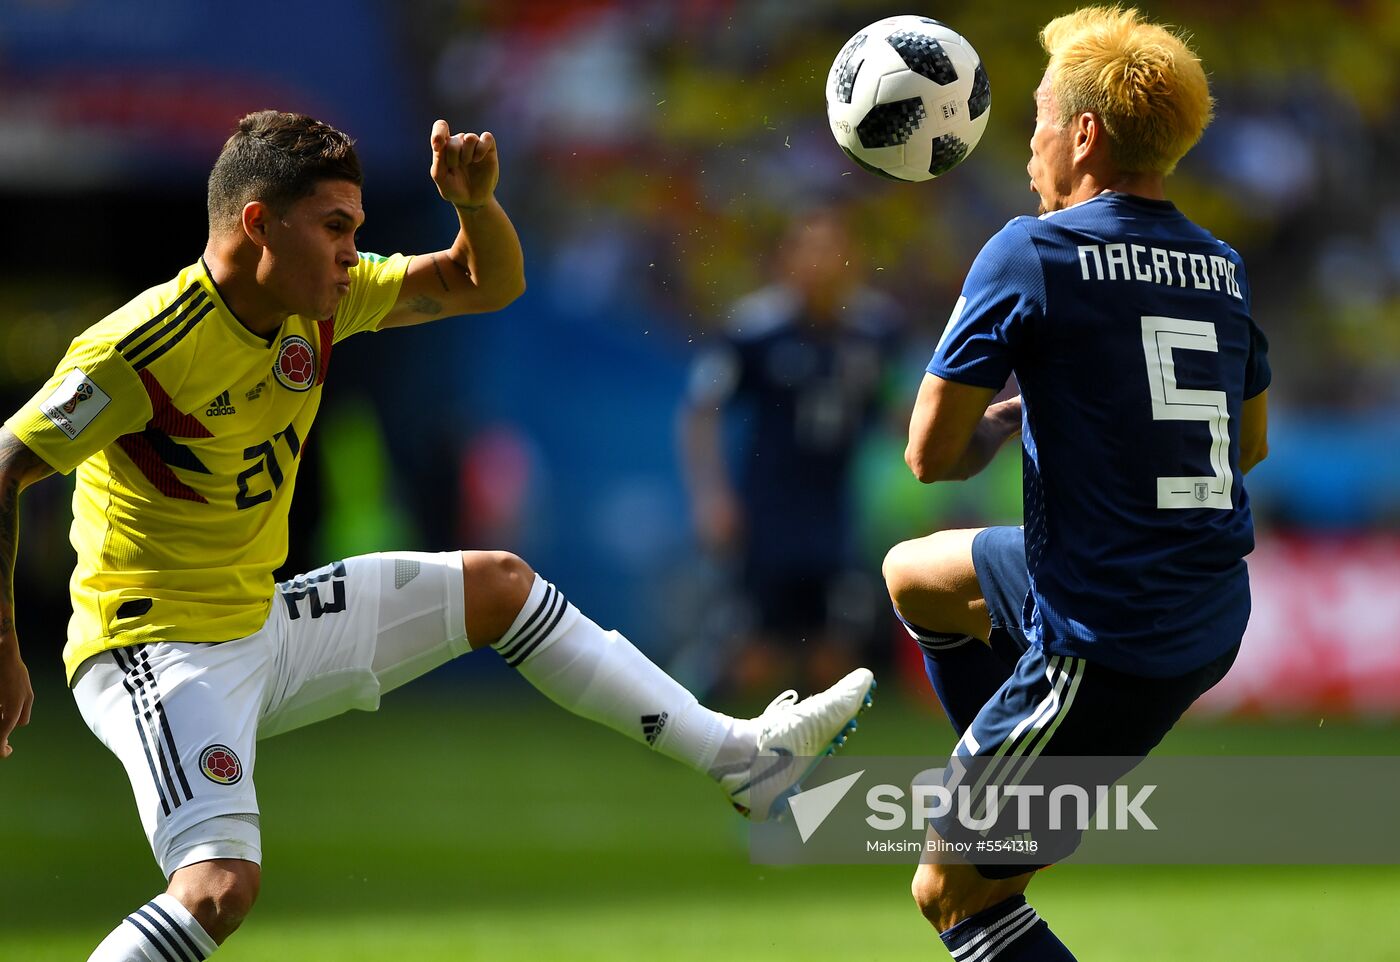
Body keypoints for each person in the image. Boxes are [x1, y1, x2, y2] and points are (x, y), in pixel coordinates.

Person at [0, 111, 876, 962]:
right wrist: (4, 647)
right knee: (217, 890)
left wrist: (474, 205)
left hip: (259, 621)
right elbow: (8, 467)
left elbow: (484, 282)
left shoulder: (323, 306)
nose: (352, 252)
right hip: (155, 648)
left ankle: (743, 760)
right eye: (336, 227)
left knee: (498, 585)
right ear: (259, 224)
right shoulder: (138, 347)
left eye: (358, 229)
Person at [880, 7, 1270, 960]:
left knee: (952, 893)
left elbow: (930, 455)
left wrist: (1016, 415)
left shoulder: (1032, 251)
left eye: (1039, 120)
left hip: (1112, 627)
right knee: (915, 577)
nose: (1028, 150)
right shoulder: (1221, 269)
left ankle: (1021, 807)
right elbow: (1247, 446)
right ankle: (1032, 787)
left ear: (1084, 134)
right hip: (1205, 599)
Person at [681, 209, 899, 696]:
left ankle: (810, 767)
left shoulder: (877, 331)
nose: (820, 261)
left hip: (837, 510)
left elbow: (895, 410)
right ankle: (703, 710)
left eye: (832, 248)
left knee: (836, 657)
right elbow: (702, 411)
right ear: (787, 259)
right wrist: (711, 497)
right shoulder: (755, 331)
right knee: (760, 654)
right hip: (769, 513)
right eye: (809, 248)